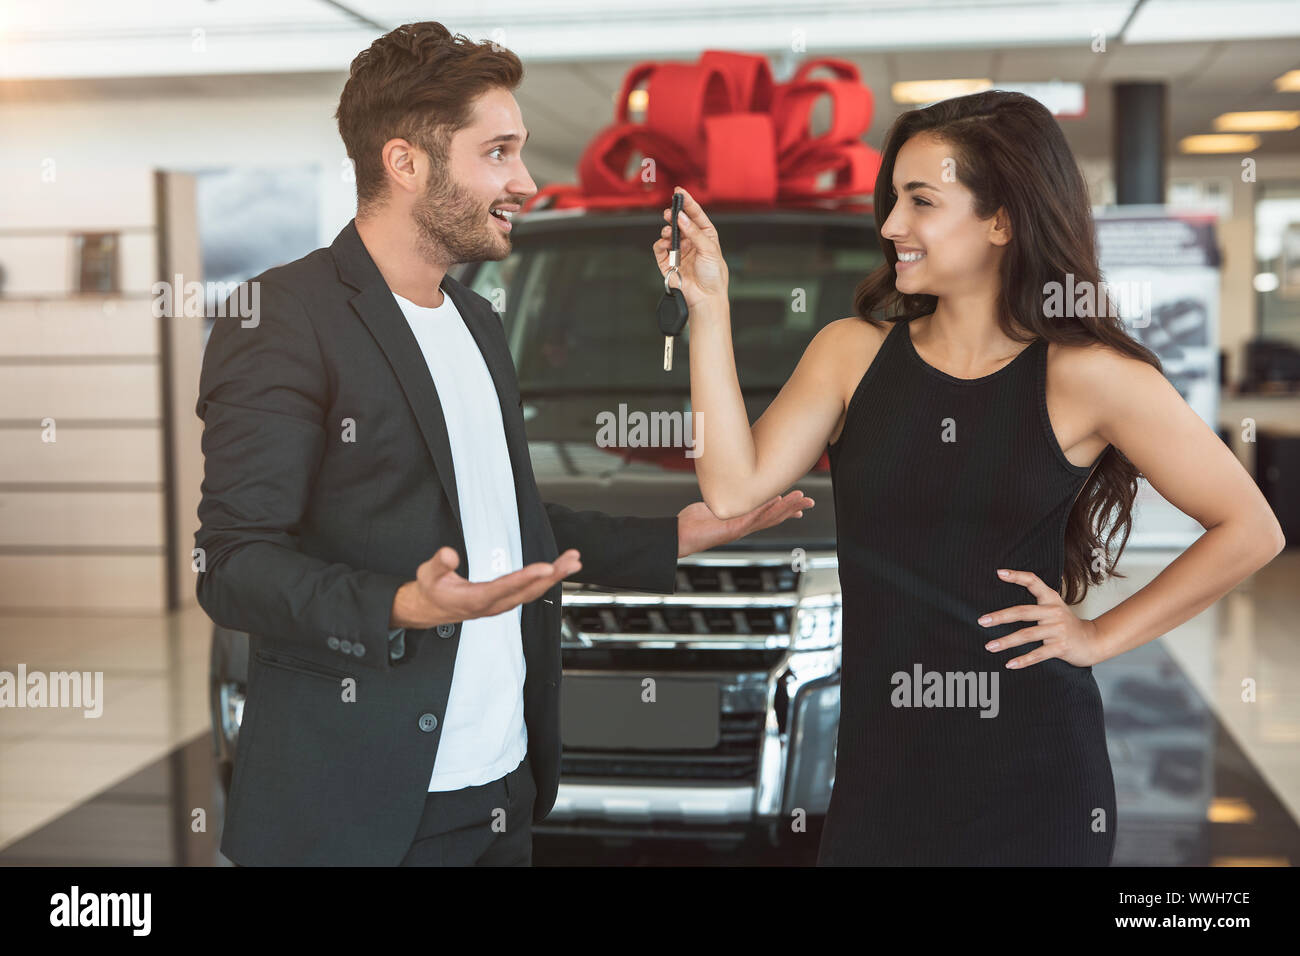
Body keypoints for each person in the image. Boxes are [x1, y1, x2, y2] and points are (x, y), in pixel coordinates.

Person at [195, 21, 814, 867]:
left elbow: (506, 519)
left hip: (499, 792)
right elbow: (232, 565)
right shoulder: (285, 319)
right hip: (356, 811)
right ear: (406, 163)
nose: (525, 179)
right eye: (499, 153)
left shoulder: (479, 321)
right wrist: (399, 605)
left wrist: (672, 536)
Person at [653, 90, 1286, 865]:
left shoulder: (1088, 376)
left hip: (1034, 775)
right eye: (892, 201)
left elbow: (1251, 528)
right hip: (882, 774)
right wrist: (708, 308)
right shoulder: (851, 354)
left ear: (1002, 220)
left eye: (922, 201)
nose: (891, 226)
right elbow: (731, 488)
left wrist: (1096, 636)